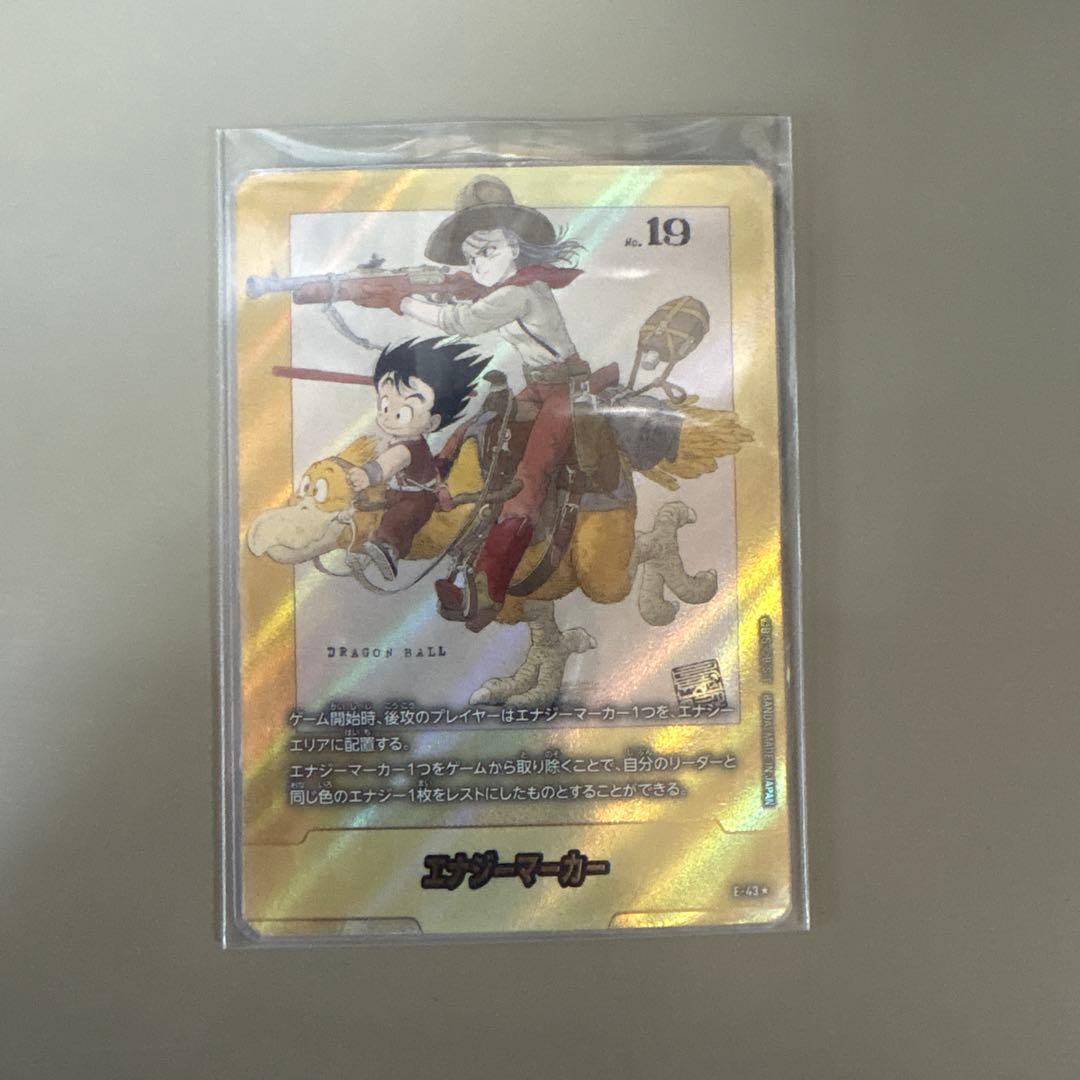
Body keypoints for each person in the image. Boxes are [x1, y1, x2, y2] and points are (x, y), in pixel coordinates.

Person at [356, 175, 586, 626]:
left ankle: (485, 591)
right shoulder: (505, 287)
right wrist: (425, 289)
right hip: (539, 387)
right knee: (464, 434)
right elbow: (468, 300)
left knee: (527, 479)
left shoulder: (521, 292)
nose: (480, 264)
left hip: (565, 393)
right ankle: (408, 519)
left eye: (489, 251)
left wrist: (402, 302)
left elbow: (461, 322)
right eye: (472, 256)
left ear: (515, 246)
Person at [349, 337, 486, 580]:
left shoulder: (407, 447)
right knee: (373, 507)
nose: (388, 417)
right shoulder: (401, 441)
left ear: (433, 422)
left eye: (401, 413)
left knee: (400, 518)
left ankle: (388, 549)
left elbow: (387, 465)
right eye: (385, 405)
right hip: (400, 491)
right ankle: (364, 548)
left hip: (416, 498)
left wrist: (367, 474)